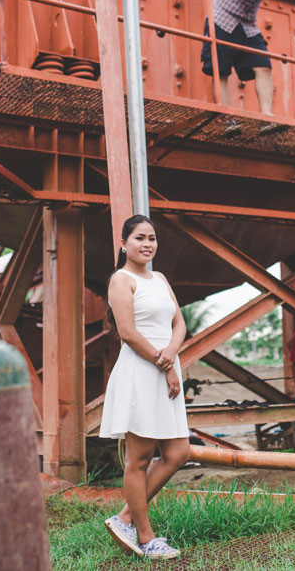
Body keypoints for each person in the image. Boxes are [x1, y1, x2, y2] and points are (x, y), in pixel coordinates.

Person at [99, 214, 190, 560]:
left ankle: (123, 518)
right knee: (140, 457)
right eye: (139, 238)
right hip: (141, 370)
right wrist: (163, 362)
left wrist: (170, 356)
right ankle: (147, 536)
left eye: (152, 238)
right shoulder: (120, 281)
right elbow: (128, 333)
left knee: (179, 453)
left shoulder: (161, 278)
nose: (147, 244)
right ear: (123, 243)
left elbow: (179, 322)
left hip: (164, 365)